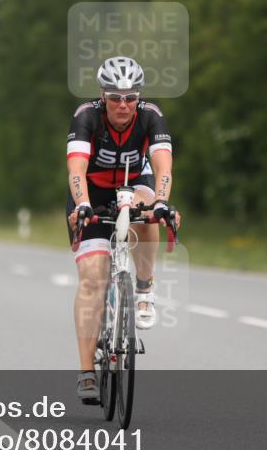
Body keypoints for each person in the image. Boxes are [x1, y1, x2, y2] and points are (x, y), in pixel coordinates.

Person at [65, 56, 180, 401]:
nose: (123, 105)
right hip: (91, 190)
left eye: (130, 97)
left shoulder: (151, 116)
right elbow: (76, 168)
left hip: (135, 184)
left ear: (139, 97)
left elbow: (162, 168)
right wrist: (83, 205)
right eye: (115, 97)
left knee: (150, 210)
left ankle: (144, 289)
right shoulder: (86, 116)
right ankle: (87, 371)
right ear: (103, 96)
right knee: (93, 277)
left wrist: (161, 201)